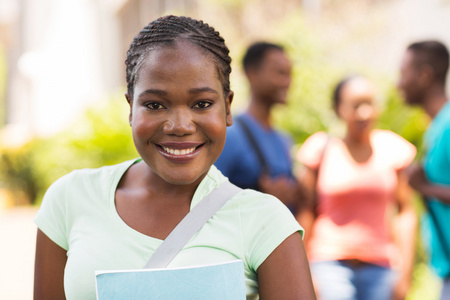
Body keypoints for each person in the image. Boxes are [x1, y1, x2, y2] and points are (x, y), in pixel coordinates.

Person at [33, 15, 316, 300]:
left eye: (202, 104)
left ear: (227, 108)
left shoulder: (266, 221)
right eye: (155, 104)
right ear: (131, 108)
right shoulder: (70, 199)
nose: (180, 125)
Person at [296, 75, 417, 300]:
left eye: (369, 104)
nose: (364, 113)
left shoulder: (393, 148)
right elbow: (305, 212)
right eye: (355, 106)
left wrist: (406, 273)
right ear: (338, 109)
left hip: (381, 267)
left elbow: (405, 212)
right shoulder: (320, 149)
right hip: (328, 265)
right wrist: (303, 273)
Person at [214, 42, 303, 213]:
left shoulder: (284, 140)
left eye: (290, 74)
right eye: (280, 73)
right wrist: (262, 199)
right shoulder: (230, 135)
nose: (287, 82)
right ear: (251, 73)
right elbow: (203, 198)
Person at [397, 40, 450, 300]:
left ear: (425, 75)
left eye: (403, 73)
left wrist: (424, 187)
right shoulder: (436, 127)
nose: (399, 83)